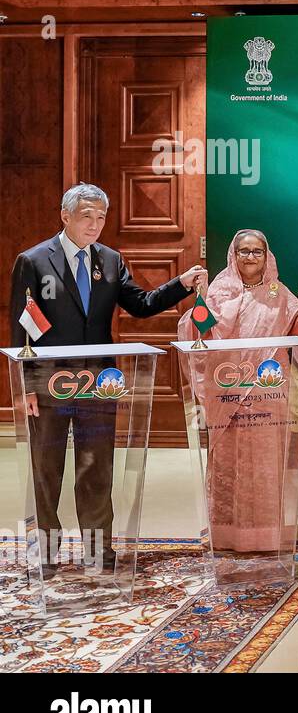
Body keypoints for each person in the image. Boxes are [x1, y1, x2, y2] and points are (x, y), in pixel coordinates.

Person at [9, 182, 206, 572]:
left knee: (96, 468)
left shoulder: (111, 261)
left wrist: (179, 285)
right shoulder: (32, 261)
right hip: (49, 382)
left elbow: (142, 305)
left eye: (101, 217)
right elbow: (21, 329)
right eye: (87, 216)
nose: (95, 224)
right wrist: (25, 385)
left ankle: (98, 550)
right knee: (47, 469)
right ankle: (46, 552)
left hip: (99, 382)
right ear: (65, 216)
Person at [177, 229, 298, 553]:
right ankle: (226, 535)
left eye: (257, 251)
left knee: (265, 465)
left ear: (267, 256)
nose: (250, 257)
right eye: (243, 251)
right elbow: (201, 332)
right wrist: (199, 299)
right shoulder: (219, 292)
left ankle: (264, 535)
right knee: (227, 464)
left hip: (266, 392)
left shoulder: (279, 293)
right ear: (233, 255)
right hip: (226, 391)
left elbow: (294, 335)